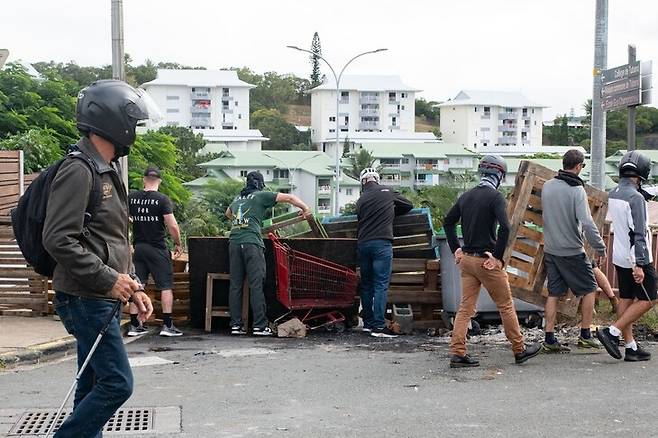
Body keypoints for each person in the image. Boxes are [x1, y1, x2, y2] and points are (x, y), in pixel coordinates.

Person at [44, 79, 155, 437]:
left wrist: (131, 286)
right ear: (113, 121)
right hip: (84, 296)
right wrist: (110, 279)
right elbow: (58, 238)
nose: (134, 131)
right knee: (117, 384)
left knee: (91, 387)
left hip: (98, 295)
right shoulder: (79, 170)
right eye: (133, 122)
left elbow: (110, 241)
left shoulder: (104, 170)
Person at [444, 155, 541, 367]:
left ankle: (458, 353)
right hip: (486, 261)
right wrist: (497, 257)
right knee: (505, 305)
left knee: (465, 308)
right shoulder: (495, 197)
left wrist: (456, 250)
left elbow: (448, 222)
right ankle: (519, 349)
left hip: (467, 260)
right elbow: (505, 228)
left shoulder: (466, 196)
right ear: (499, 174)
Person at [226, 171, 311, 336]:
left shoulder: (238, 199)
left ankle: (236, 325)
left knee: (235, 285)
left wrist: (243, 222)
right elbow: (290, 198)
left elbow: (228, 214)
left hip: (234, 243)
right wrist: (305, 209)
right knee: (256, 284)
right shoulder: (261, 195)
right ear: (260, 184)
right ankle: (259, 326)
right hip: (251, 242)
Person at [541, 149, 606, 353]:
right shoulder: (577, 190)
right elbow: (587, 222)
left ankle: (549, 339)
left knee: (553, 293)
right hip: (572, 250)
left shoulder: (548, 185)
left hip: (551, 249)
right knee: (589, 288)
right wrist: (600, 247)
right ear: (578, 166)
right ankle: (585, 335)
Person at [597, 151, 657, 362]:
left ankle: (630, 346)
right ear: (642, 172)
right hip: (637, 257)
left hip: (620, 255)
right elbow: (639, 232)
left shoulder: (613, 192)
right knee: (651, 297)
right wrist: (640, 264)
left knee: (626, 297)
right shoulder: (636, 197)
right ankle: (612, 332)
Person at [127, 165, 184, 337]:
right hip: (157, 248)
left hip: (139, 248)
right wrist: (178, 243)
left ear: (144, 180)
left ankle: (134, 325)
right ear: (159, 181)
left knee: (137, 284)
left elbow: (123, 218)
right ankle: (167, 325)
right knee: (165, 286)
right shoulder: (162, 199)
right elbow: (172, 224)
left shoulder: (132, 198)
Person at [356, 168, 413, 338]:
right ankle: (379, 327)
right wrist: (391, 211)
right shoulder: (387, 192)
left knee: (366, 285)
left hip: (363, 244)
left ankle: (367, 324)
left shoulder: (361, 200)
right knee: (380, 284)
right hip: (381, 243)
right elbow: (409, 205)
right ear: (376, 179)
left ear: (363, 182)